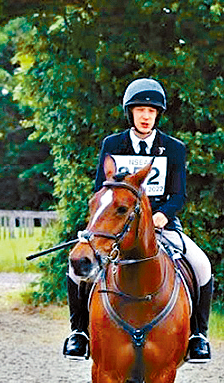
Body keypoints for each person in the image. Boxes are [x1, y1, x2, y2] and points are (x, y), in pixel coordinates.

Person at [64, 77, 213, 363]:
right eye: (140, 110)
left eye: (151, 111)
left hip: (161, 225)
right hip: (117, 225)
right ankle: (79, 333)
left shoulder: (173, 148)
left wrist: (161, 215)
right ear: (130, 113)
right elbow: (102, 190)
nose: (146, 116)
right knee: (75, 269)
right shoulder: (112, 144)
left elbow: (178, 195)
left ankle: (198, 335)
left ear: (158, 115)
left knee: (201, 265)